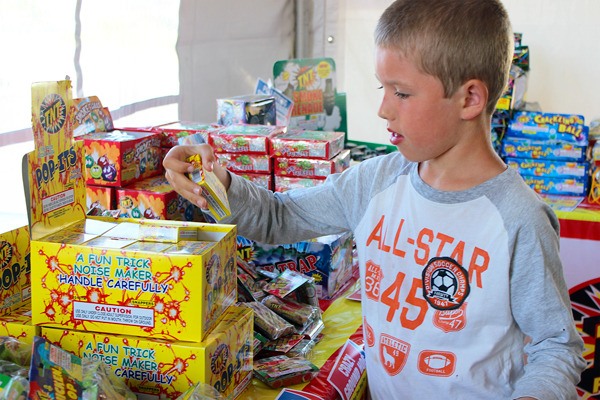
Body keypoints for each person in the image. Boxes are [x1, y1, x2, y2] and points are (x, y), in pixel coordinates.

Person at [163, 0, 586, 398]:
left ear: (469, 98)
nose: (383, 109)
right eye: (383, 88)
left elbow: (556, 347)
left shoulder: (519, 218)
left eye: (401, 93)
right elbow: (279, 216)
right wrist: (213, 178)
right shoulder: (375, 181)